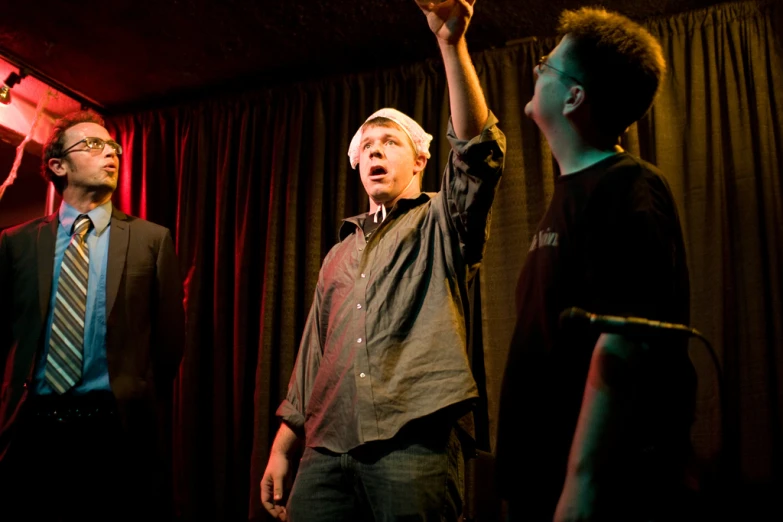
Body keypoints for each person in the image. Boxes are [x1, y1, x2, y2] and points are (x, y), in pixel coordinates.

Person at [259, 1, 505, 520]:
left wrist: (450, 42)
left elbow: (477, 152)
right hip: (326, 447)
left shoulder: (442, 220)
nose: (375, 150)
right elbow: (312, 356)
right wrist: (284, 445)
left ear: (420, 158)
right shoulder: (338, 254)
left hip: (414, 437)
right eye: (366, 144)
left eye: (390, 141)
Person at [495, 7, 696, 522]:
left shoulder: (630, 187)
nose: (536, 71)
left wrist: (581, 483)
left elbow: (623, 339)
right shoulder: (569, 195)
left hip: (592, 491)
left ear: (575, 96)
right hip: (539, 482)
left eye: (547, 65)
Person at [0, 110, 186, 520]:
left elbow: (169, 344)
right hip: (32, 430)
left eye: (114, 147)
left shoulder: (151, 241)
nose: (111, 154)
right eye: (93, 145)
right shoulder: (15, 243)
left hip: (114, 431)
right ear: (58, 165)